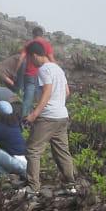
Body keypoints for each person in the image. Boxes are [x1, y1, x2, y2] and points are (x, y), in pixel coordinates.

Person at [24, 42, 77, 193]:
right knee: (62, 150)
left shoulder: (43, 70)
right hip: (62, 115)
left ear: (34, 55)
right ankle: (70, 184)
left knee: (33, 149)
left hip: (48, 117)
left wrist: (34, 114)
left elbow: (47, 90)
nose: (30, 62)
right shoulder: (57, 68)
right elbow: (67, 92)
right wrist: (58, 103)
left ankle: (33, 186)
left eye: (30, 58)